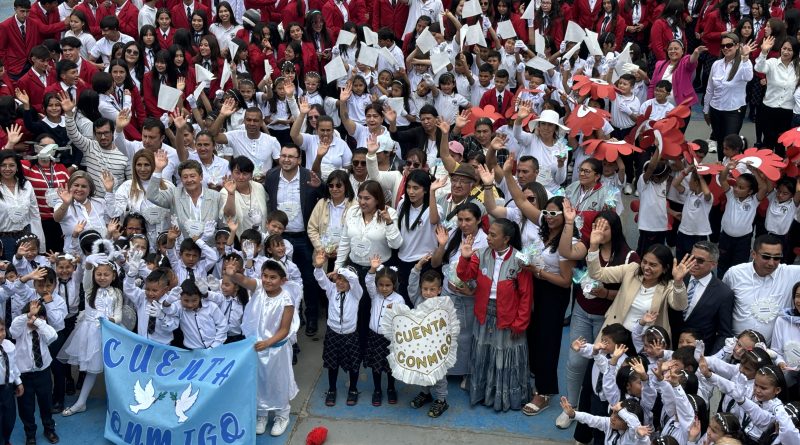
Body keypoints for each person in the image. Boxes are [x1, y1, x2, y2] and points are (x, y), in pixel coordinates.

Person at [457, 218, 533, 412]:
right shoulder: (480, 254)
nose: (488, 237)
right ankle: (483, 394)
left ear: (506, 239)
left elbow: (526, 295)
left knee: (505, 356)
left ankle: (505, 397)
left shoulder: (520, 260)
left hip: (509, 318)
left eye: (493, 235)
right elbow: (465, 276)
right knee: (483, 354)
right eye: (488, 233)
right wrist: (465, 257)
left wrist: (520, 323)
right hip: (484, 314)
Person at [224, 259, 297, 436]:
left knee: (278, 381)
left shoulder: (286, 299)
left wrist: (268, 342)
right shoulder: (258, 288)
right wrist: (233, 274)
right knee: (259, 381)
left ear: (283, 280)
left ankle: (282, 415)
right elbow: (243, 280)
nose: (267, 280)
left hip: (276, 350)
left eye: (273, 277)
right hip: (257, 348)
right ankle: (262, 414)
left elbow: (284, 329)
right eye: (265, 275)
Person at [587, 218, 693, 335]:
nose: (646, 267)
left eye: (653, 265)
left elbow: (679, 306)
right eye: (644, 262)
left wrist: (678, 282)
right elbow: (597, 273)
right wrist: (594, 246)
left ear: (665, 268)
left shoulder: (668, 286)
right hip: (616, 336)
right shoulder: (632, 270)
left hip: (646, 341)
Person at [263, 144, 323, 336]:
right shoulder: (272, 176)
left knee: (308, 279)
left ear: (299, 160)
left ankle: (311, 316)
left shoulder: (308, 176)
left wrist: (320, 186)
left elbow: (323, 197)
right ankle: (294, 317)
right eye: (283, 155)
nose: (286, 159)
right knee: (283, 279)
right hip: (279, 238)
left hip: (303, 237)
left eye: (291, 156)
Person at [58, 258, 122, 416]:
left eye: (106, 274)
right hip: (91, 334)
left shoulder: (117, 292)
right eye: (98, 274)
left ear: (113, 276)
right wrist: (88, 263)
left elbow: (118, 315)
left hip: (111, 333)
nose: (102, 277)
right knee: (92, 370)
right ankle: (81, 402)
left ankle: (116, 404)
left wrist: (110, 320)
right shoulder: (88, 289)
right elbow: (86, 272)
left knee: (113, 371)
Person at [722, 234, 800, 344]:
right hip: (735, 345)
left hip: (772, 349)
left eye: (777, 258)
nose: (771, 263)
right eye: (766, 257)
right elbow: (722, 304)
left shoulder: (791, 274)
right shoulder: (734, 274)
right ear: (753, 254)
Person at [313, 250, 362, 407]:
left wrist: (339, 270)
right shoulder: (331, 289)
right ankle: (332, 389)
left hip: (350, 335)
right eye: (339, 279)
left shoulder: (356, 293)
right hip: (333, 333)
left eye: (344, 280)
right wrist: (319, 267)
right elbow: (321, 279)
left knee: (354, 364)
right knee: (332, 364)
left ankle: (353, 389)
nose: (341, 282)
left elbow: (354, 279)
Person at [667, 241, 735, 354]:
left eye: (700, 260)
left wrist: (711, 360)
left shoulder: (723, 293)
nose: (694, 263)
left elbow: (724, 333)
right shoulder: (678, 277)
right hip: (670, 347)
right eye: (692, 258)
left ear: (713, 264)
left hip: (699, 354)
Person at [10, 298, 59, 445]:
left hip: (43, 372)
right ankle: (30, 433)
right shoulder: (20, 330)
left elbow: (53, 336)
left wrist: (37, 321)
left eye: (38, 316)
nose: (33, 319)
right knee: (26, 407)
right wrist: (28, 315)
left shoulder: (43, 329)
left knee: (46, 403)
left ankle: (49, 429)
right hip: (24, 375)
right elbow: (13, 328)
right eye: (30, 315)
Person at [146, 153, 224, 243]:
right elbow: (152, 196)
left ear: (201, 177)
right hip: (183, 249)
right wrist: (158, 170)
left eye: (192, 176)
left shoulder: (216, 197)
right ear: (181, 179)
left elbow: (223, 226)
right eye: (185, 177)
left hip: (210, 248)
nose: (189, 180)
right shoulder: (174, 194)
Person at [703, 33, 756, 160]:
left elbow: (748, 77)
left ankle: (732, 167)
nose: (725, 48)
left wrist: (745, 57)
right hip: (716, 109)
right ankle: (721, 165)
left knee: (730, 143)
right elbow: (710, 89)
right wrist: (706, 109)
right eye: (723, 46)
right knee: (720, 141)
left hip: (734, 110)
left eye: (729, 45)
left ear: (737, 46)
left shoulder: (743, 63)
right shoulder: (716, 64)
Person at [365, 255, 404, 406]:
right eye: (381, 285)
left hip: (389, 339)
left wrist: (395, 310)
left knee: (390, 366)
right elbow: (368, 281)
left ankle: (391, 388)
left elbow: (402, 318)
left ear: (394, 285)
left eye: (388, 285)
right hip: (374, 337)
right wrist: (373, 268)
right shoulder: (375, 295)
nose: (384, 288)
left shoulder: (398, 299)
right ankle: (377, 390)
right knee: (376, 366)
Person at [0, 151, 45, 260]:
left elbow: (34, 215)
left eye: (11, 165)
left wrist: (40, 243)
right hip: (3, 240)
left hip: (25, 238)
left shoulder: (26, 185)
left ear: (17, 167)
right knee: (8, 269)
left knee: (26, 269)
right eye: (3, 165)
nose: (7, 169)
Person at [220, 156, 268, 236]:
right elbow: (229, 215)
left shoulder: (259, 187)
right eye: (237, 173)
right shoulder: (225, 192)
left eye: (245, 173)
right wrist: (231, 194)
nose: (241, 177)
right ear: (231, 173)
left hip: (261, 237)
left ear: (251, 175)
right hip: (239, 239)